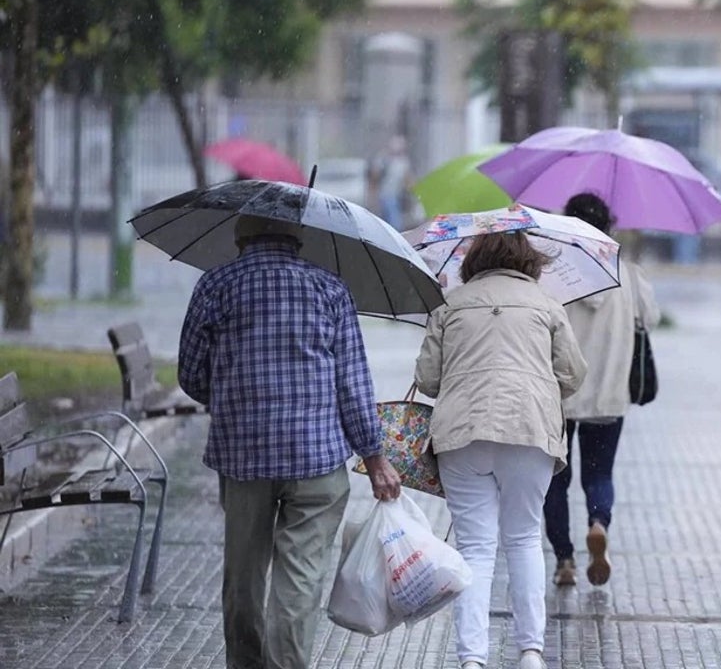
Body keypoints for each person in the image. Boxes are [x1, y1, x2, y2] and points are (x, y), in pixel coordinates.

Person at [177, 214, 402, 669]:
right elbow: (352, 385)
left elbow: (190, 374)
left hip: (243, 459)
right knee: (298, 583)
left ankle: (246, 663)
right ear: (297, 236)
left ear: (241, 235)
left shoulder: (216, 285)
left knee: (242, 578)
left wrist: (232, 397)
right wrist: (374, 457)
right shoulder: (329, 288)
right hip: (316, 460)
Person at [414, 231, 586, 669]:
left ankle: (472, 659)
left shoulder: (450, 305)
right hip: (528, 430)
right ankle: (531, 652)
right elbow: (572, 374)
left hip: (461, 433)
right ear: (529, 261)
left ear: (473, 261)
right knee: (525, 538)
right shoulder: (546, 305)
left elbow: (429, 380)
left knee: (475, 548)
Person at [544, 192, 660, 588]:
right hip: (608, 394)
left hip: (558, 394)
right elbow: (652, 318)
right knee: (599, 474)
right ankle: (598, 522)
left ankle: (564, 560)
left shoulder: (554, 274)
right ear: (608, 227)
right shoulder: (627, 274)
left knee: (555, 479)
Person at [371, 134, 412, 230]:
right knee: (393, 222)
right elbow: (374, 176)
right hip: (385, 195)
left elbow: (407, 179)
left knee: (388, 221)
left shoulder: (403, 162)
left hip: (396, 195)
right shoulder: (383, 159)